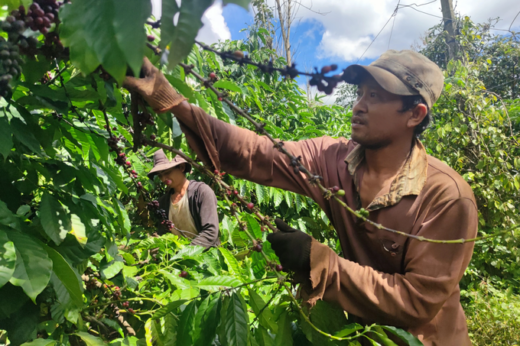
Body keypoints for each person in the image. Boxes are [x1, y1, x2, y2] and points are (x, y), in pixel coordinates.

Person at [125, 50, 478, 345]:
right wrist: (172, 102)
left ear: (415, 115)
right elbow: (257, 152)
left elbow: (415, 303)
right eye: (360, 94)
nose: (359, 106)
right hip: (363, 333)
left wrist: (319, 261)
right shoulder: (333, 158)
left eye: (376, 97)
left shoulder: (447, 196)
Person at [148, 149, 220, 249]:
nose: (164, 179)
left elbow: (210, 232)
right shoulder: (163, 202)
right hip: (178, 260)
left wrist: (185, 253)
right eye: (160, 175)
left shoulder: (202, 192)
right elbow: (164, 235)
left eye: (167, 172)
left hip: (206, 256)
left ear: (181, 167)